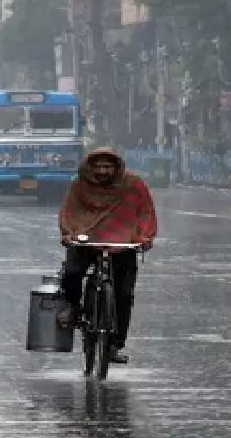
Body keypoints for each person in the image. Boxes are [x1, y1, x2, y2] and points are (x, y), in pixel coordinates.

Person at [56, 148, 158, 364]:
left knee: (124, 293)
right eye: (99, 166)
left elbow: (145, 211)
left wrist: (144, 236)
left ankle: (114, 344)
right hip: (87, 241)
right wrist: (69, 233)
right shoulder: (79, 186)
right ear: (90, 168)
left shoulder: (133, 185)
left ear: (116, 167)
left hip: (123, 244)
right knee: (72, 271)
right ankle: (72, 306)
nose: (104, 171)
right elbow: (69, 212)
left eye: (108, 166)